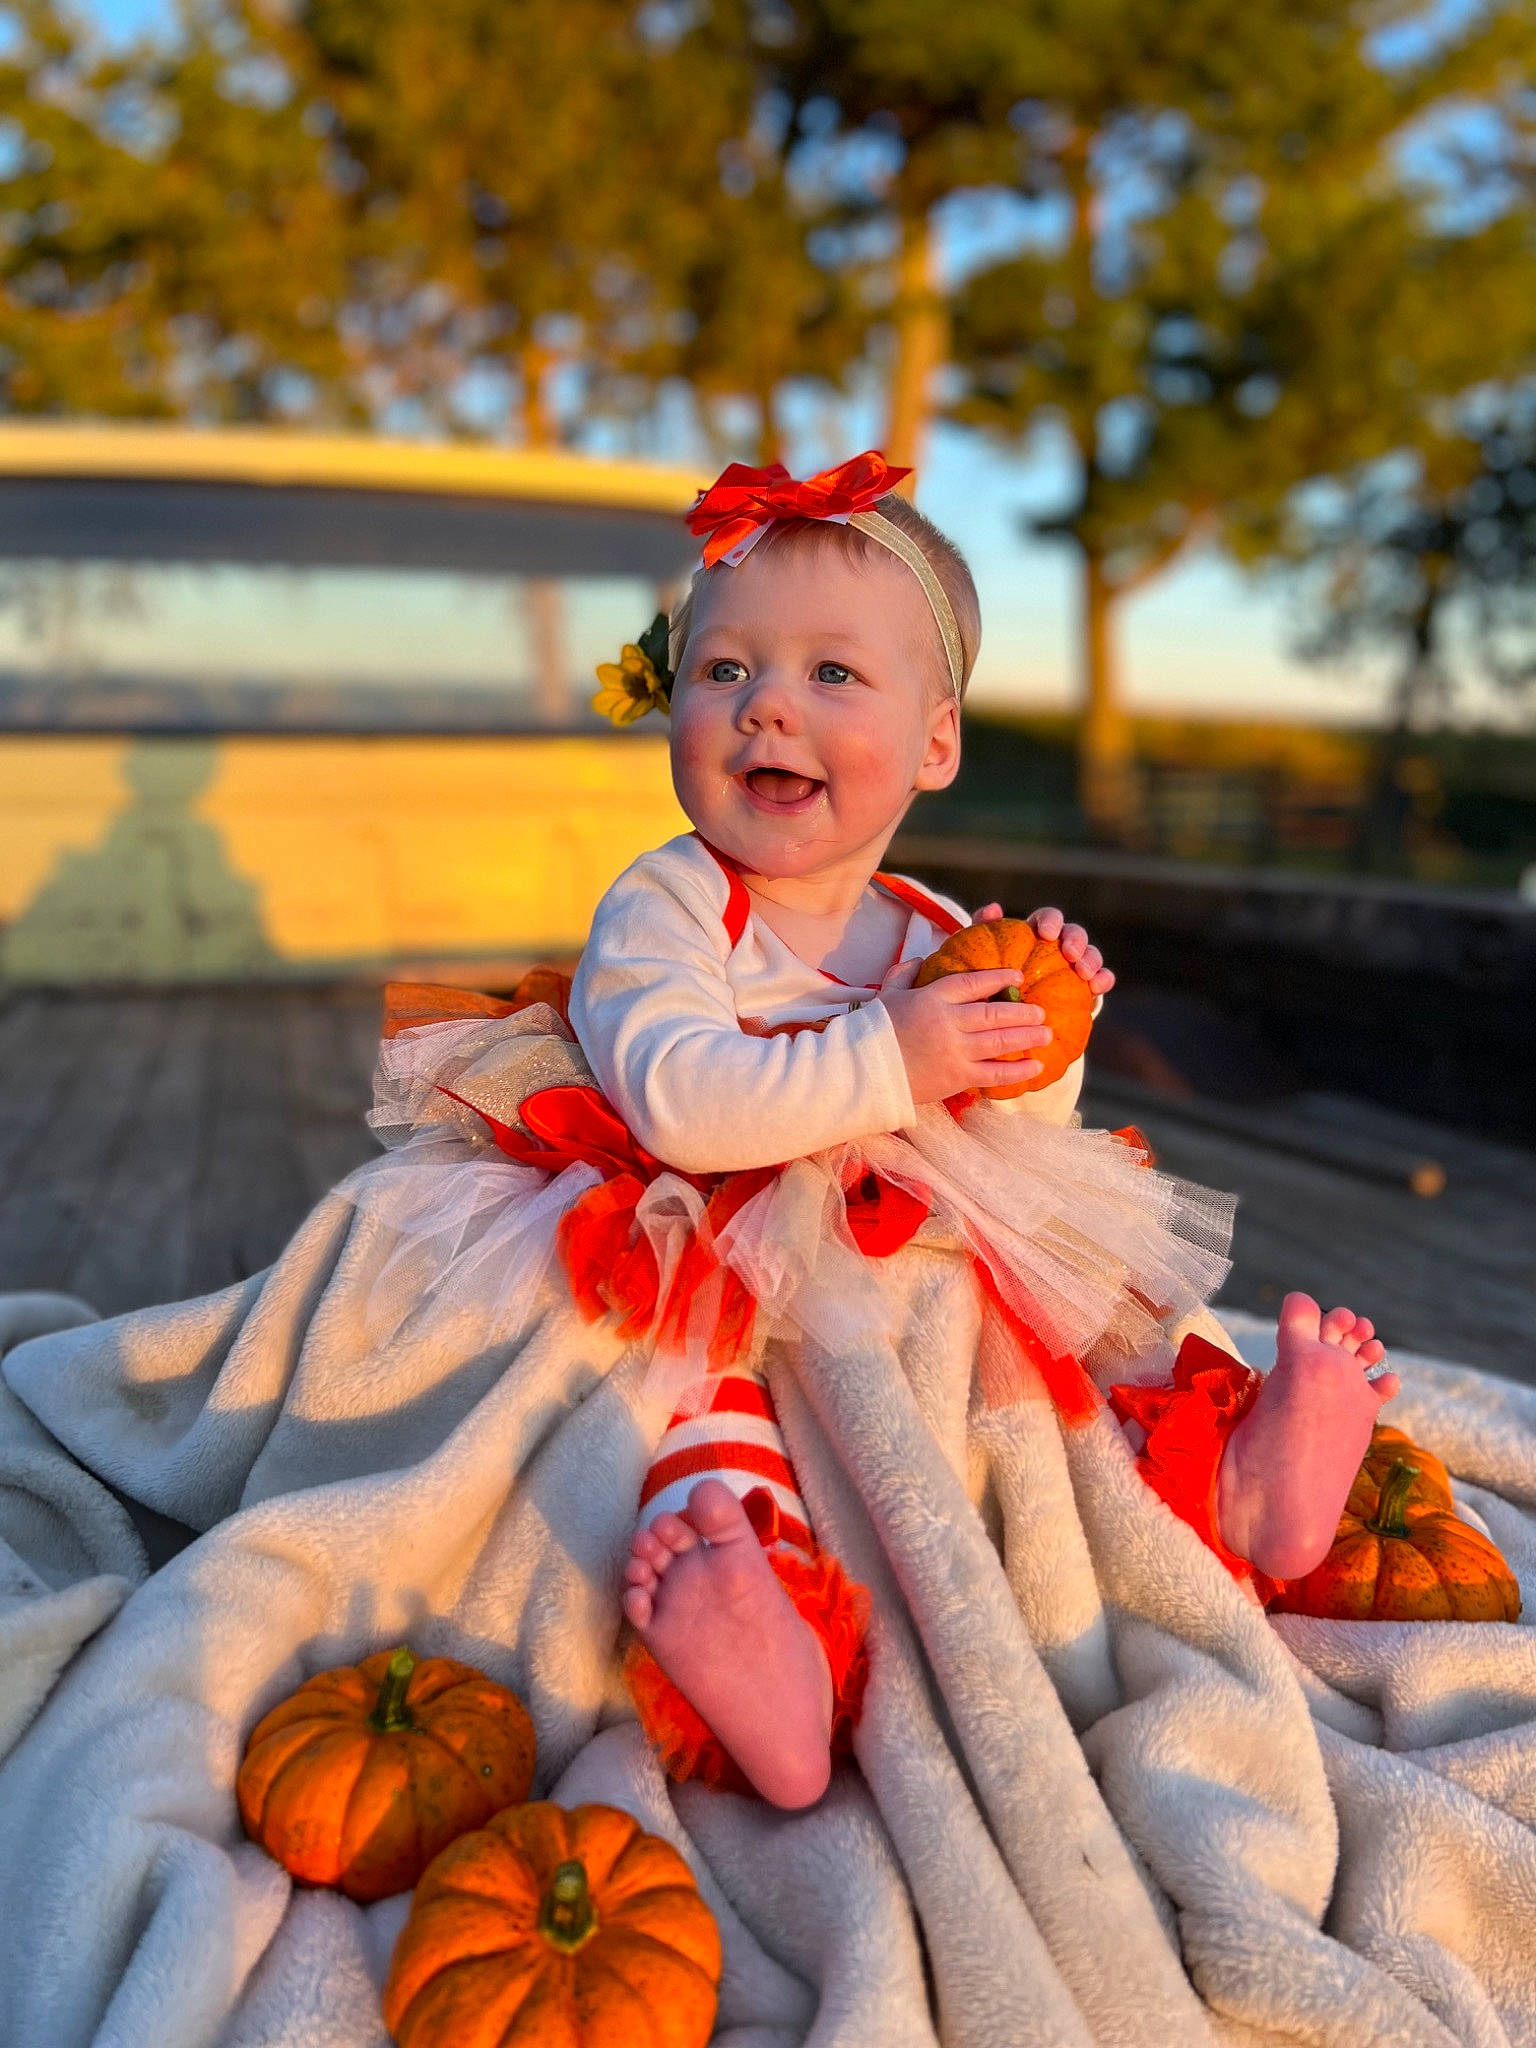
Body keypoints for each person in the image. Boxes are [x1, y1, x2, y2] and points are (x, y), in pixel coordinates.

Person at [522, 451, 1396, 1811]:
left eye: (831, 675)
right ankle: (770, 1644)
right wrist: (893, 1052)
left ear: (935, 745)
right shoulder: (672, 904)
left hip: (913, 1260)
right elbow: (676, 1099)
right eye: (725, 670)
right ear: (675, 702)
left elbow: (1021, 1141)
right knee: (693, 1407)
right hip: (706, 1242)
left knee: (1092, 1330)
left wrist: (1038, 1049)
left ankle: (1233, 1485)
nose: (766, 710)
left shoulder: (934, 929)